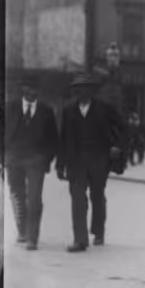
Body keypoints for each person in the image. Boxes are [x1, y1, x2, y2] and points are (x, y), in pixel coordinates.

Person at [56, 73, 125, 252]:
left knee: (97, 196)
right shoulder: (68, 110)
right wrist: (60, 164)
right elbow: (63, 138)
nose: (82, 93)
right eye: (78, 89)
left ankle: (98, 230)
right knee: (78, 198)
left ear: (92, 91)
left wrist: (117, 146)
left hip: (99, 159)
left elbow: (124, 128)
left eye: (86, 89)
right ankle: (80, 239)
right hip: (76, 160)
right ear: (75, 91)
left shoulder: (105, 108)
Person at [2, 73, 59, 251]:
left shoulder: (46, 111)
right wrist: (2, 155)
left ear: (38, 91)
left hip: (36, 160)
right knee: (17, 196)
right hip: (13, 158)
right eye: (27, 88)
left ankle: (32, 237)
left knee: (34, 198)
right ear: (22, 89)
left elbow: (53, 139)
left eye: (34, 89)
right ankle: (22, 230)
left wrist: (46, 158)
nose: (31, 91)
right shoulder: (9, 108)